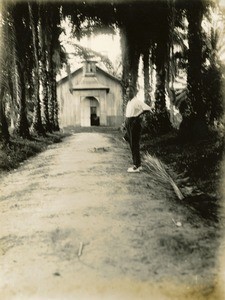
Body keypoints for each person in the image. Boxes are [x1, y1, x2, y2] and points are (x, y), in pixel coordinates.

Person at [124, 87, 151, 173]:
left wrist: (137, 118)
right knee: (132, 144)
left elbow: (147, 108)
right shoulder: (129, 102)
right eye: (127, 91)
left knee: (134, 144)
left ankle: (136, 165)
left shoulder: (136, 101)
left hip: (134, 124)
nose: (128, 93)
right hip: (129, 123)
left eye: (130, 91)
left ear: (134, 92)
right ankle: (138, 164)